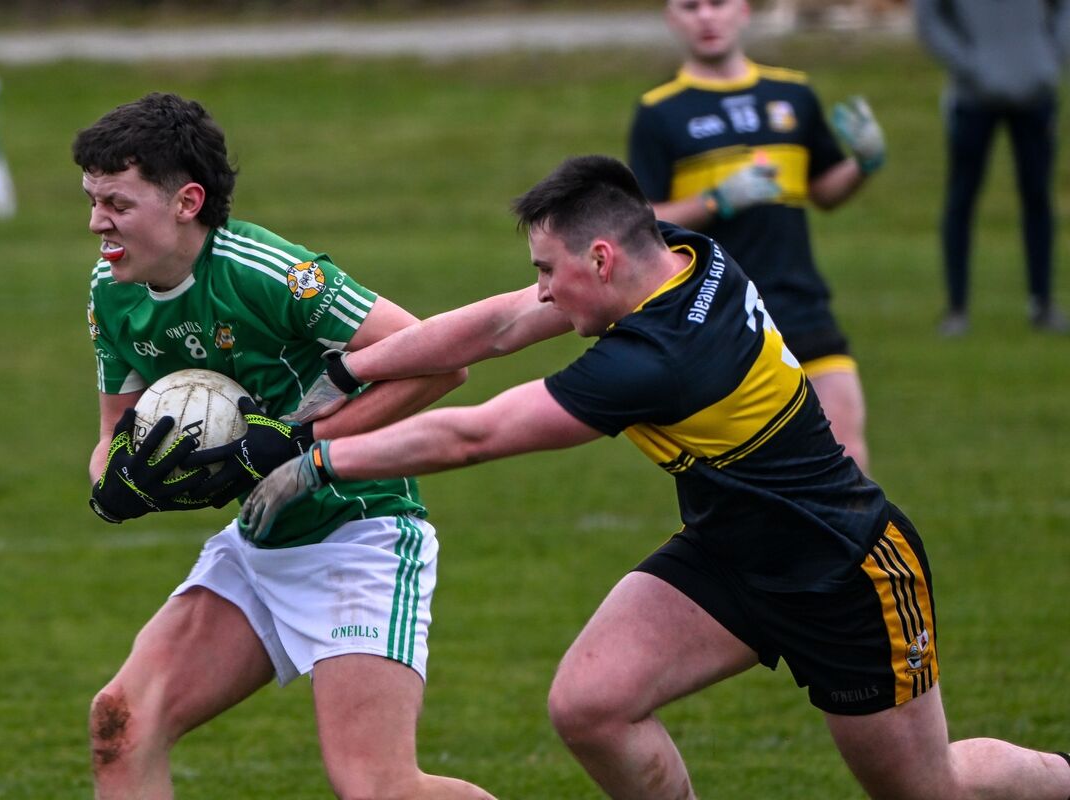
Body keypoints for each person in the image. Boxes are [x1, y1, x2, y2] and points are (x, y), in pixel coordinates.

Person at [248, 156, 1070, 800]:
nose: (539, 288)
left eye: (547, 268)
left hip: (843, 572)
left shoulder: (658, 360)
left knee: (931, 789)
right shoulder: (678, 255)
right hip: (728, 555)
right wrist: (349, 371)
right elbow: (501, 323)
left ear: (600, 259)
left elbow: (474, 434)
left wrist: (317, 459)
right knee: (591, 705)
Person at [74, 92, 495, 800]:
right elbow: (114, 433)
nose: (96, 223)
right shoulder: (112, 291)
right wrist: (115, 482)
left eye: (116, 203)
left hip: (359, 534)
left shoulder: (270, 273)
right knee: (122, 724)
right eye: (90, 200)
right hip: (261, 540)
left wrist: (299, 442)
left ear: (186, 202)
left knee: (377, 786)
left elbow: (437, 359)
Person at [626, 0, 886, 472]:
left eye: (718, 4)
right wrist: (716, 200)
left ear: (743, 11)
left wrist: (862, 164)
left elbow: (824, 190)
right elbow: (642, 222)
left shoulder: (793, 93)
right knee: (758, 471)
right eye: (690, 7)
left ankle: (860, 547)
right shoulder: (660, 111)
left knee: (847, 453)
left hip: (802, 303)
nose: (706, 17)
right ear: (672, 19)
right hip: (721, 315)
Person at [914, 0, 1070, 336]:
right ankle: (957, 308)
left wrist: (1049, 56)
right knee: (961, 198)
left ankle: (1041, 304)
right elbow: (930, 19)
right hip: (972, 97)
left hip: (1036, 93)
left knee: (1038, 196)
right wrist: (969, 64)